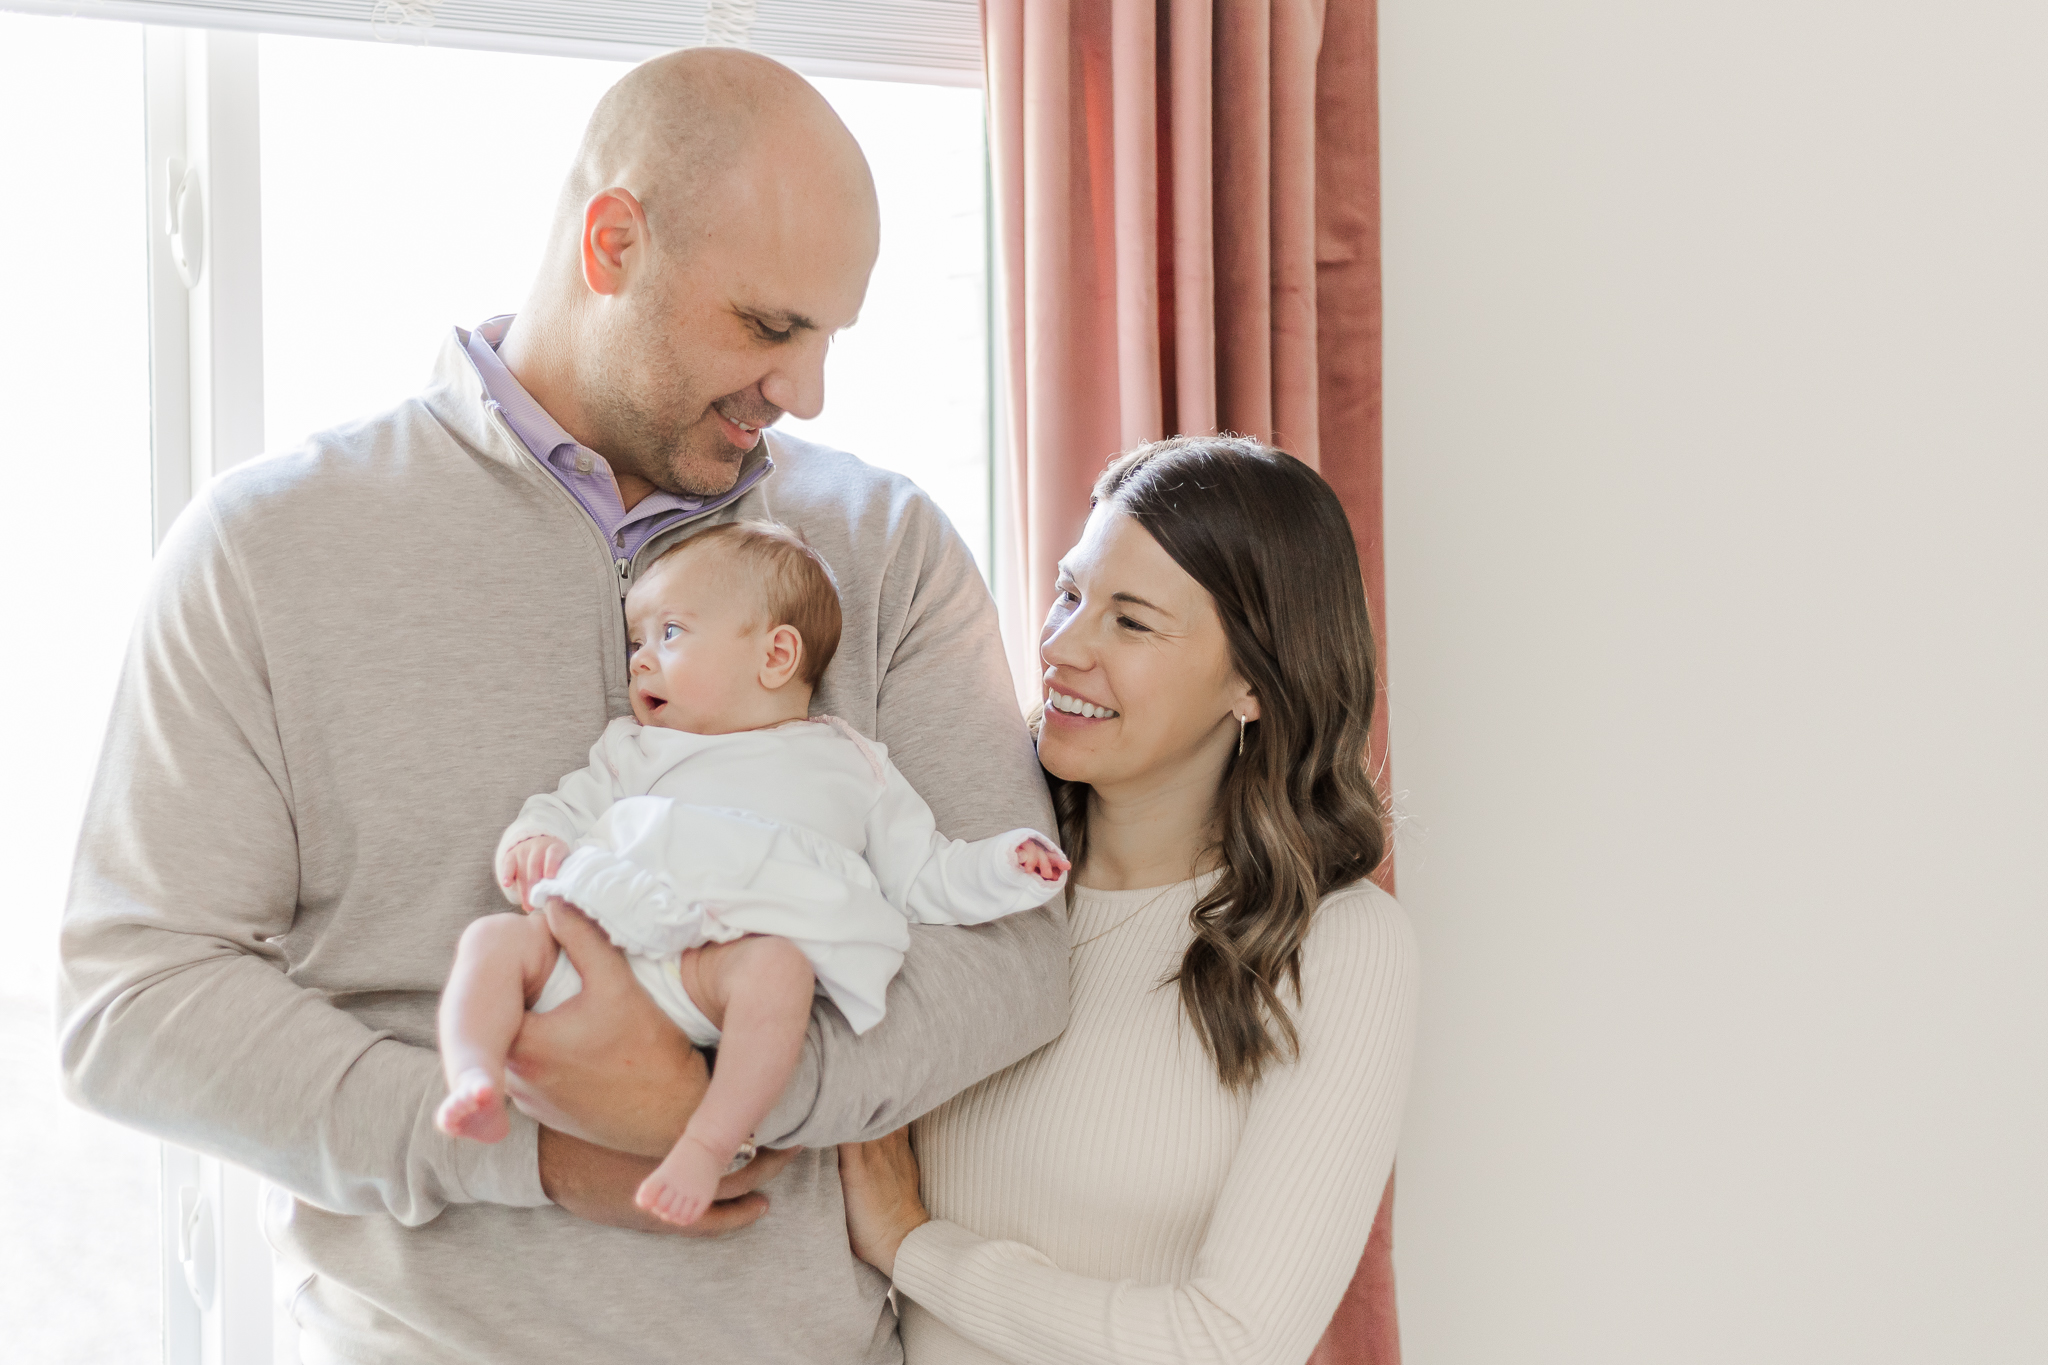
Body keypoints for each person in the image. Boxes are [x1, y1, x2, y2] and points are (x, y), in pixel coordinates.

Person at [58, 45, 1066, 1364]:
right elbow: (135, 1002)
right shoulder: (267, 547)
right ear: (612, 242)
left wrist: (719, 1095)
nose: (808, 389)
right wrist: (534, 1153)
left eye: (831, 336)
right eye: (769, 327)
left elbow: (1015, 956)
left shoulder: (887, 547)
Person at [838, 435, 1421, 1365]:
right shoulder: (964, 874)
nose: (1063, 646)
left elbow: (1230, 1341)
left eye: (1132, 621)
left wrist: (915, 1246)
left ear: (1254, 683)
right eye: (1070, 593)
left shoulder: (1337, 947)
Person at [436, 521, 1069, 1227]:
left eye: (668, 633)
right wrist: (534, 839)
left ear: (776, 655)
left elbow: (922, 874)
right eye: (635, 642)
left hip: (714, 976)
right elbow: (563, 806)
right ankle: (472, 1077)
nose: (639, 663)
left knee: (779, 972)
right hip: (605, 936)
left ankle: (708, 1139)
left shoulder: (854, 764)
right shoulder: (634, 751)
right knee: (493, 939)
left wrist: (1006, 864)